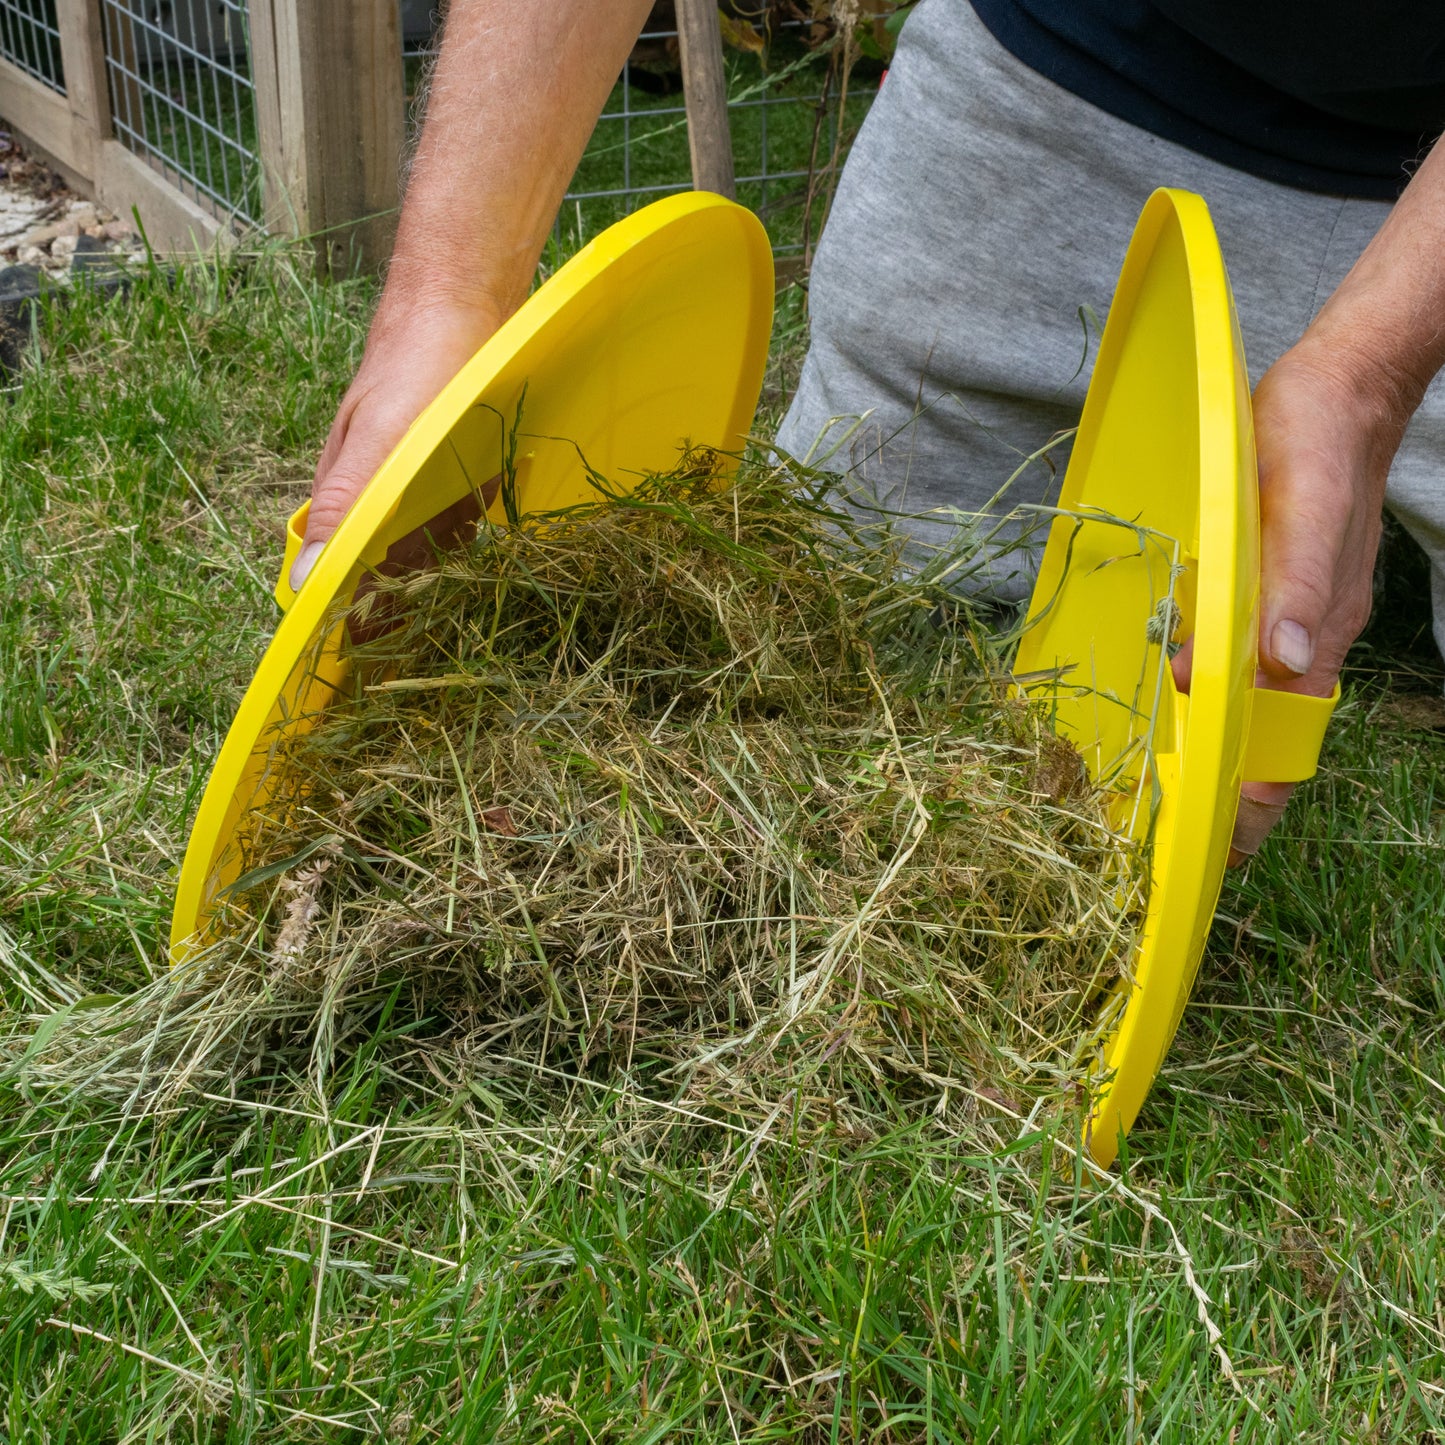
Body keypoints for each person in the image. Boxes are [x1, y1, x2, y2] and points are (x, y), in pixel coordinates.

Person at [292, 0, 1445, 858]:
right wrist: (449, 291)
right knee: (842, 576)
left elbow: (1364, 380)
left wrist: (1363, 381)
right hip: (1070, 79)